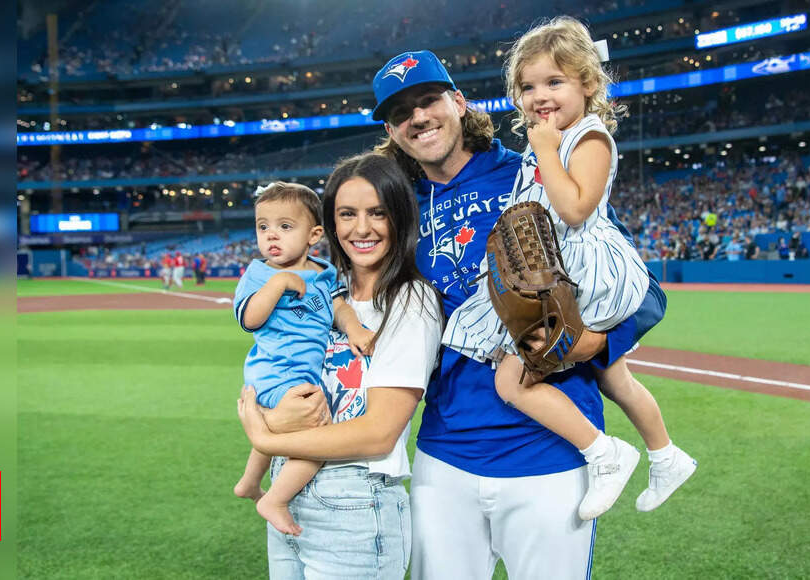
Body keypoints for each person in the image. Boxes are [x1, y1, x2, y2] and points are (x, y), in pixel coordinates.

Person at [371, 40, 694, 578]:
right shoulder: (397, 211)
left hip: (551, 454)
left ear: (459, 102)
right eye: (401, 113)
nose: (418, 118)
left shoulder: (534, 173)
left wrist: (592, 343)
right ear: (391, 131)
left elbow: (639, 290)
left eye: (429, 100)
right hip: (443, 454)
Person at [441, 16, 691, 522]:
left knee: (511, 381)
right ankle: (666, 455)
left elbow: (575, 209)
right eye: (528, 86)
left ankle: (604, 453)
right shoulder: (548, 143)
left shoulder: (588, 138)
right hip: (557, 268)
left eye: (555, 81)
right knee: (613, 376)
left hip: (584, 271)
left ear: (589, 83)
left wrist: (547, 151)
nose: (540, 96)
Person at [237, 154, 443, 579]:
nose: (361, 228)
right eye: (347, 214)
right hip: (290, 490)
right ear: (329, 225)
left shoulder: (410, 301)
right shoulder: (327, 288)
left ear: (400, 218)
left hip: (354, 500)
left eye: (378, 213)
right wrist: (274, 419)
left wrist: (264, 434)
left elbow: (378, 434)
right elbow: (269, 376)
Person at [231, 182, 374, 536]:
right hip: (275, 370)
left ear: (313, 235)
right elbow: (249, 319)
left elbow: (340, 307)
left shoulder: (324, 274)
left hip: (300, 372)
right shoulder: (260, 273)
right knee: (317, 436)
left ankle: (250, 483)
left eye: (284, 226)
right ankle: (276, 499)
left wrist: (354, 329)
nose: (271, 236)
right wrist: (277, 283)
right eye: (263, 227)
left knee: (283, 430)